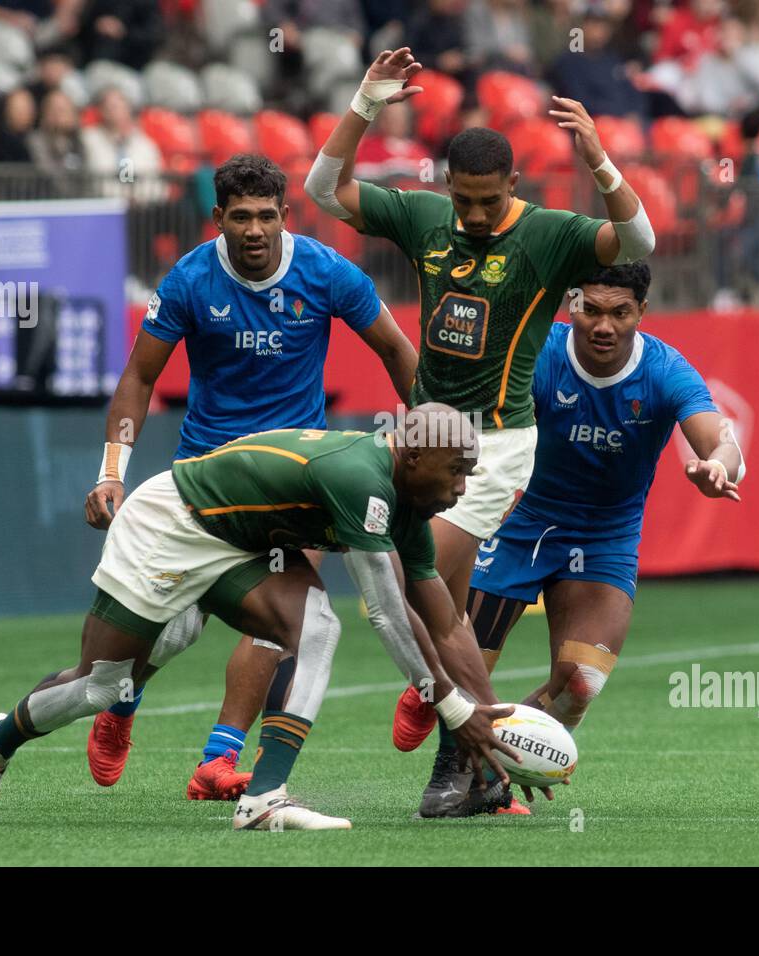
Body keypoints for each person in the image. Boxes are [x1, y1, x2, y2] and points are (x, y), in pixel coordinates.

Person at [303, 46, 656, 816]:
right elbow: (321, 190)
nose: (471, 215)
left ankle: (460, 736)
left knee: (418, 591)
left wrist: (599, 159)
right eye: (462, 199)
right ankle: (468, 751)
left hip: (492, 445)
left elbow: (638, 246)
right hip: (422, 435)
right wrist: (365, 102)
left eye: (486, 201)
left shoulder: (551, 235)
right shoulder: (426, 216)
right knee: (441, 608)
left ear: (515, 186)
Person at [0, 411, 521, 831]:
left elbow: (447, 627)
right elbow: (388, 614)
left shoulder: (409, 510)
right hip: (173, 525)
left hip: (245, 548)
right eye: (457, 471)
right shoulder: (361, 479)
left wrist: (488, 726)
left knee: (318, 627)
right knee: (102, 686)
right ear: (414, 458)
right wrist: (452, 707)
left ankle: (264, 797)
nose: (462, 488)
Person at [81, 153, 420, 801]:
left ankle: (219, 758)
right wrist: (112, 471)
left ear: (286, 216)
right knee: (173, 629)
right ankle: (120, 704)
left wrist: (431, 432)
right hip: (204, 481)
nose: (256, 229)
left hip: (294, 481)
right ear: (219, 219)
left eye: (268, 215)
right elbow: (139, 379)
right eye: (242, 217)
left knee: (284, 621)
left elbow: (395, 349)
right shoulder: (189, 280)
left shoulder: (324, 270)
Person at [468, 262, 742, 804]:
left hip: (605, 538)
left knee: (579, 684)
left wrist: (720, 468)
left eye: (619, 312)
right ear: (572, 305)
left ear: (642, 311)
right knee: (469, 673)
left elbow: (721, 438)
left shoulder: (665, 370)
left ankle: (494, 770)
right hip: (522, 523)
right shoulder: (539, 351)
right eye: (591, 309)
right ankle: (456, 779)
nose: (603, 325)